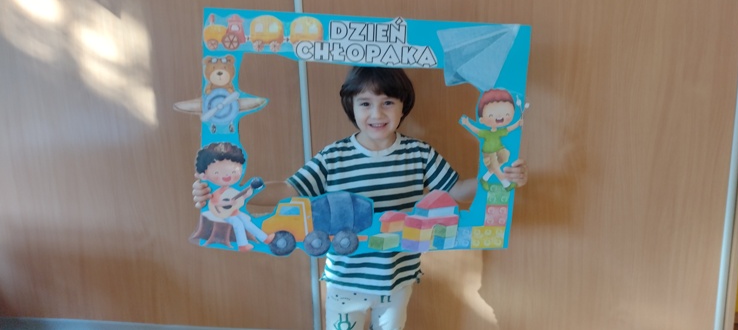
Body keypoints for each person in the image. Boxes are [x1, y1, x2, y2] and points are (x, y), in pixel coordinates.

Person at [192, 67, 528, 330]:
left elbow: (453, 192)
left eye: (387, 102)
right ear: (351, 106)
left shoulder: (419, 153)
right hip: (344, 281)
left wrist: (497, 178)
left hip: (397, 278)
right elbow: (289, 188)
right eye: (365, 103)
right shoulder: (334, 155)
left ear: (403, 106)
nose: (376, 113)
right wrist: (231, 194)